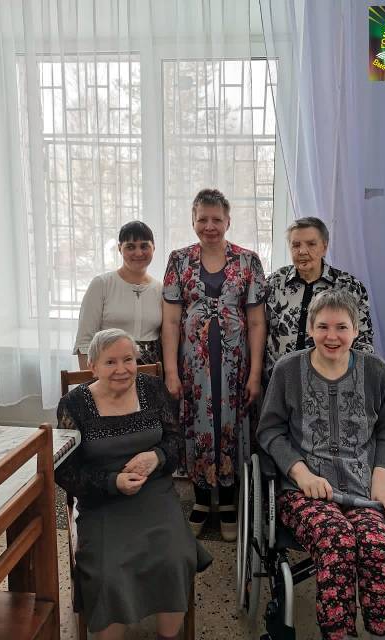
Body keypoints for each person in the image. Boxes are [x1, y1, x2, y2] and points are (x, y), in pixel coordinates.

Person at [257, 289, 385, 640]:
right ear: (310, 328)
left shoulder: (376, 372)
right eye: (323, 326)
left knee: (376, 542)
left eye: (341, 327)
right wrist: (300, 472)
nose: (332, 336)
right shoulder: (288, 370)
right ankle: (338, 634)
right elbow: (270, 431)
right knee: (336, 541)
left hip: (363, 488)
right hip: (304, 492)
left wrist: (381, 482)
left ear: (356, 330)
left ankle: (383, 631)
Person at [55, 328, 211, 640]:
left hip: (154, 494)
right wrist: (113, 482)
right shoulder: (74, 404)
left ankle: (168, 635)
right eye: (110, 362)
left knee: (175, 558)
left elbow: (176, 441)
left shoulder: (152, 389)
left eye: (128, 359)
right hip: (101, 502)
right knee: (109, 572)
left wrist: (156, 457)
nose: (122, 369)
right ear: (93, 366)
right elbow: (65, 470)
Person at [162, 188, 266, 541]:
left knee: (233, 425)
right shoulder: (179, 260)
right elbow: (171, 321)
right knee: (197, 424)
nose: (210, 226)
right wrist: (171, 371)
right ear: (193, 221)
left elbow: (257, 322)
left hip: (237, 364)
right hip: (193, 366)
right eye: (202, 219)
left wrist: (255, 374)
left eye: (216, 219)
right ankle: (203, 499)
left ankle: (229, 502)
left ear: (228, 221)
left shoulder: (248, 261)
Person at [265, 216, 374, 381]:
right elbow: (259, 330)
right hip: (278, 381)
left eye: (311, 244)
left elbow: (363, 340)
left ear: (324, 247)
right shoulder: (274, 282)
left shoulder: (349, 286)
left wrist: (353, 380)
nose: (302, 251)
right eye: (296, 245)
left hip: (330, 382)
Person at [74, 221, 162, 369]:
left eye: (144, 246)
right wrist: (90, 380)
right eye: (130, 247)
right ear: (120, 248)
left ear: (154, 247)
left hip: (151, 371)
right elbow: (84, 342)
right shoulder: (101, 284)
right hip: (109, 371)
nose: (138, 253)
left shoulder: (161, 289)